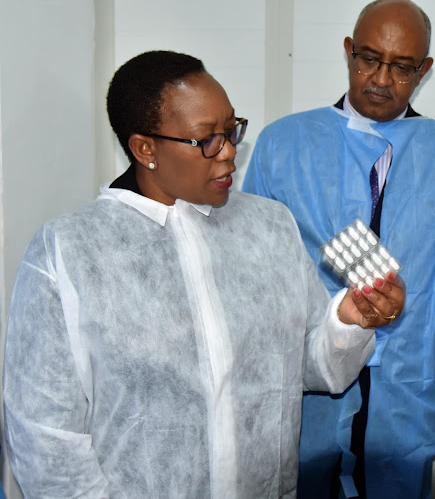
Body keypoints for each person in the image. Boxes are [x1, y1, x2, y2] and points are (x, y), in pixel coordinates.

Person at [3, 50, 406, 498]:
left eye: (232, 130)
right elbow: (45, 437)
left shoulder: (269, 226)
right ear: (145, 149)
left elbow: (313, 369)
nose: (230, 151)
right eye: (207, 140)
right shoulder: (71, 251)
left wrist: (350, 320)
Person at [242, 0, 435, 496]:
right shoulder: (283, 144)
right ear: (349, 52)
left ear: (424, 71)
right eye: (368, 58)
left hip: (403, 384)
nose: (381, 78)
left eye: (402, 68)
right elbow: (252, 271)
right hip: (309, 376)